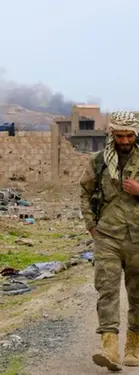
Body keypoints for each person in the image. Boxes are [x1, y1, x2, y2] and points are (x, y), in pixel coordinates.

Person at [80, 110, 139, 371]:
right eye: (119, 135)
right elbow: (84, 192)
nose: (124, 141)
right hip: (108, 237)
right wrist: (91, 226)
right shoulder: (100, 161)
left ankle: (133, 347)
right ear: (111, 134)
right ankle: (109, 346)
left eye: (129, 135)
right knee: (107, 291)